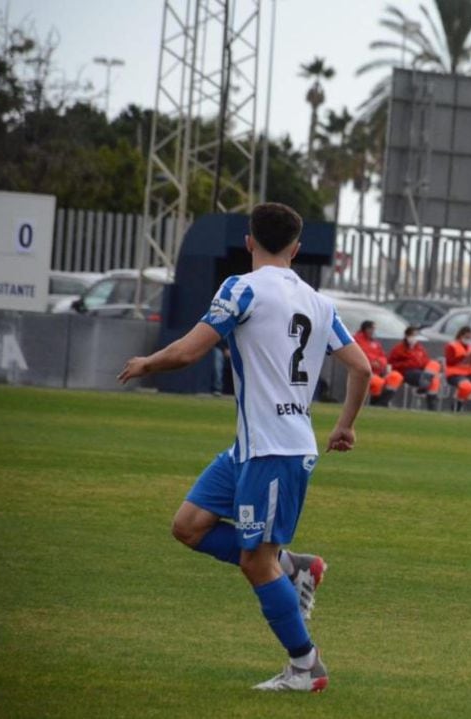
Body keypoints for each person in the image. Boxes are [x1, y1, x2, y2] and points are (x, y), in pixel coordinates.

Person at [117, 202, 373, 691]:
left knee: (256, 562)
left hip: (274, 450)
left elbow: (190, 350)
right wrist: (346, 426)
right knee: (188, 527)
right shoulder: (320, 302)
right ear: (297, 249)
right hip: (251, 447)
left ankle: (306, 665)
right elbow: (361, 368)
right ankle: (295, 566)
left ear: (249, 242)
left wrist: (147, 363)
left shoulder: (241, 287)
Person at [388, 325, 441, 411]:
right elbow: (392, 363)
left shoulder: (419, 348)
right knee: (427, 377)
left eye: (416, 336)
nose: (414, 338)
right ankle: (424, 383)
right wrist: (408, 364)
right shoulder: (399, 349)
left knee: (434, 373)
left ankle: (431, 405)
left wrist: (421, 364)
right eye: (412, 335)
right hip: (406, 372)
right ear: (407, 336)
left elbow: (425, 360)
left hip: (420, 371)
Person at [356, 320, 403, 407]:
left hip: (379, 371)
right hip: (365, 372)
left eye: (374, 329)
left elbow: (383, 356)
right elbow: (361, 354)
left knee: (396, 376)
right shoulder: (357, 340)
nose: (373, 331)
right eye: (371, 328)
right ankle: (375, 403)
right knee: (378, 382)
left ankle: (382, 403)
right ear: (365, 329)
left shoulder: (375, 343)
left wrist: (380, 363)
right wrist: (372, 361)